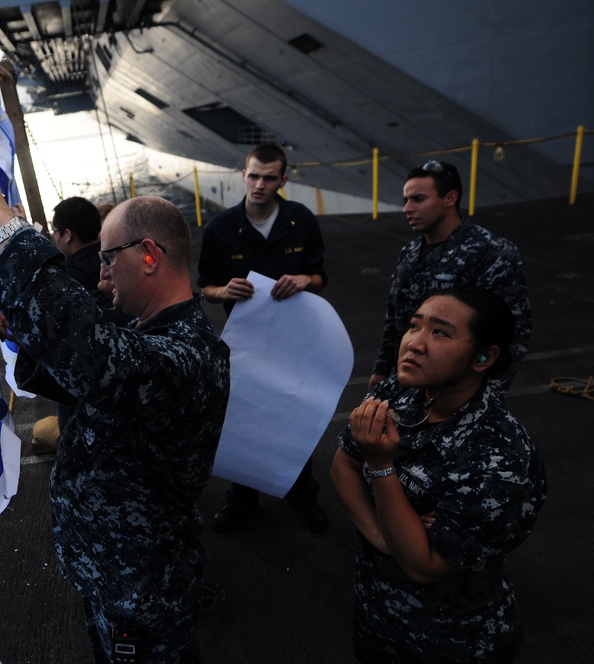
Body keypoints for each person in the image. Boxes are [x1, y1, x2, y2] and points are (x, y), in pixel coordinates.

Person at [0, 142, 231, 664]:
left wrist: (1, 222)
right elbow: (83, 370)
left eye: (109, 259)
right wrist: (25, 327)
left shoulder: (191, 356)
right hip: (113, 575)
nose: (101, 275)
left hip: (140, 587)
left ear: (149, 255)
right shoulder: (149, 332)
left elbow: (100, 361)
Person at [332, 286, 546, 663]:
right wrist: (383, 537)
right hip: (376, 612)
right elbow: (344, 464)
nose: (414, 343)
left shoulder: (501, 455)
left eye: (440, 332)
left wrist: (381, 466)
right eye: (414, 326)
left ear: (483, 357)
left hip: (451, 638)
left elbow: (423, 564)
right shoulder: (398, 392)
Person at [197, 142, 330, 534]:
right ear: (243, 175)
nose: (259, 184)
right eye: (253, 175)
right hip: (247, 343)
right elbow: (205, 286)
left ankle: (302, 494)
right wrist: (223, 292)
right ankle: (243, 499)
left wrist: (307, 279)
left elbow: (321, 277)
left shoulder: (301, 221)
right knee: (247, 421)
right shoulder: (220, 229)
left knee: (295, 416)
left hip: (294, 340)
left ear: (283, 180)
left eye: (269, 178)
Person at [370, 160, 531, 392]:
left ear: (450, 199)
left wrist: (488, 396)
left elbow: (513, 333)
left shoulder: (492, 252)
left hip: (457, 393)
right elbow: (395, 319)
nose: (407, 209)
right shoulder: (409, 253)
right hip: (409, 385)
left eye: (418, 199)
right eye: (406, 200)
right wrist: (382, 370)